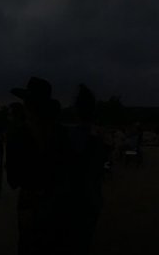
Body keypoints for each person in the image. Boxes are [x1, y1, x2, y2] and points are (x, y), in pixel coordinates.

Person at [5, 77, 67, 255]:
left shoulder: (18, 135)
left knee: (28, 246)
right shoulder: (62, 133)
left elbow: (13, 178)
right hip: (58, 199)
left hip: (30, 199)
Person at [51, 84, 109, 255]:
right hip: (91, 198)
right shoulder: (98, 139)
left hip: (72, 199)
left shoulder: (70, 137)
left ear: (76, 110)